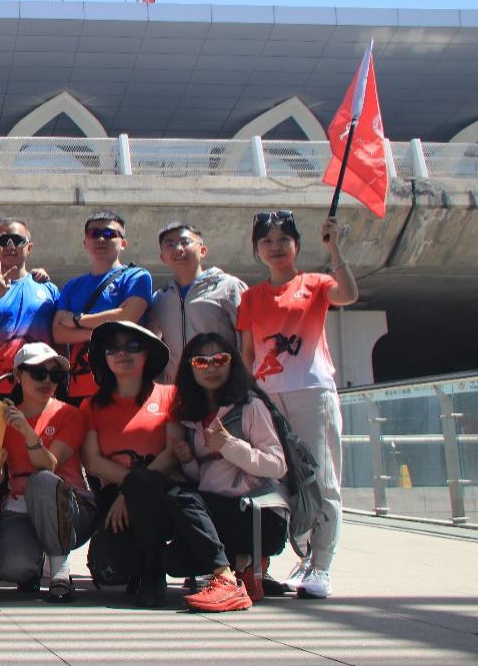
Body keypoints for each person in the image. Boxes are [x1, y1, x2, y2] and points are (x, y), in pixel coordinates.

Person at [236, 211, 357, 599]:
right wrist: (249, 396)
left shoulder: (316, 283)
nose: (275, 247)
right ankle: (303, 554)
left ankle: (322, 566)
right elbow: (247, 354)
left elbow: (348, 295)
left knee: (321, 479)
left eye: (283, 239)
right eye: (267, 241)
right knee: (278, 479)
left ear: (297, 245)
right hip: (267, 398)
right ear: (257, 249)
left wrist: (335, 248)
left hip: (311, 391)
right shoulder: (250, 298)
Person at [163, 333, 288, 612]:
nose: (211, 367)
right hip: (223, 513)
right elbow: (209, 477)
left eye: (220, 359)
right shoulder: (193, 415)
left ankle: (226, 581)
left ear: (232, 363)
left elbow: (277, 464)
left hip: (258, 516)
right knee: (173, 561)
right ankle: (243, 566)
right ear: (190, 367)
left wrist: (229, 444)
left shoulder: (250, 406)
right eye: (201, 361)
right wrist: (188, 461)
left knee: (180, 497)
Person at [79, 320, 177, 607]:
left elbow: (173, 453)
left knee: (146, 495)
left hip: (162, 493)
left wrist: (132, 489)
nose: (122, 353)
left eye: (132, 346)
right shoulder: (91, 405)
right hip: (113, 497)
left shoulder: (170, 395)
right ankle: (137, 567)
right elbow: (92, 461)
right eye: (113, 348)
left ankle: (153, 571)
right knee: (109, 571)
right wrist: (130, 488)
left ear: (147, 354)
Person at [0, 343, 94, 603]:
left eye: (55, 375)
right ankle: (31, 567)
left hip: (69, 509)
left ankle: (60, 573)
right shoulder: (1, 419)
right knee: (14, 568)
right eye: (38, 373)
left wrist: (26, 431)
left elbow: (48, 465)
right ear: (18, 375)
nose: (46, 381)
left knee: (42, 481)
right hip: (20, 508)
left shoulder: (69, 414)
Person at [53, 211, 152, 406]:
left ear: (123, 243)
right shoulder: (72, 286)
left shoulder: (137, 276)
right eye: (94, 233)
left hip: (124, 386)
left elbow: (127, 317)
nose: (100, 239)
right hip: (80, 388)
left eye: (109, 234)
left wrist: (76, 320)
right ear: (85, 243)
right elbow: (58, 333)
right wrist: (106, 329)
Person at [0, 218, 59, 398]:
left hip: (41, 387)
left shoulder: (49, 289)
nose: (10, 245)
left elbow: (60, 341)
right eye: (1, 240)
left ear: (29, 247)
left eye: (17, 240)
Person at [148, 222, 246, 383]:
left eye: (185, 242)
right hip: (177, 389)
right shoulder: (160, 299)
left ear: (203, 250)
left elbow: (247, 341)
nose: (178, 249)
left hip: (221, 386)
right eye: (170, 245)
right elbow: (152, 346)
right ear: (162, 258)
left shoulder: (228, 287)